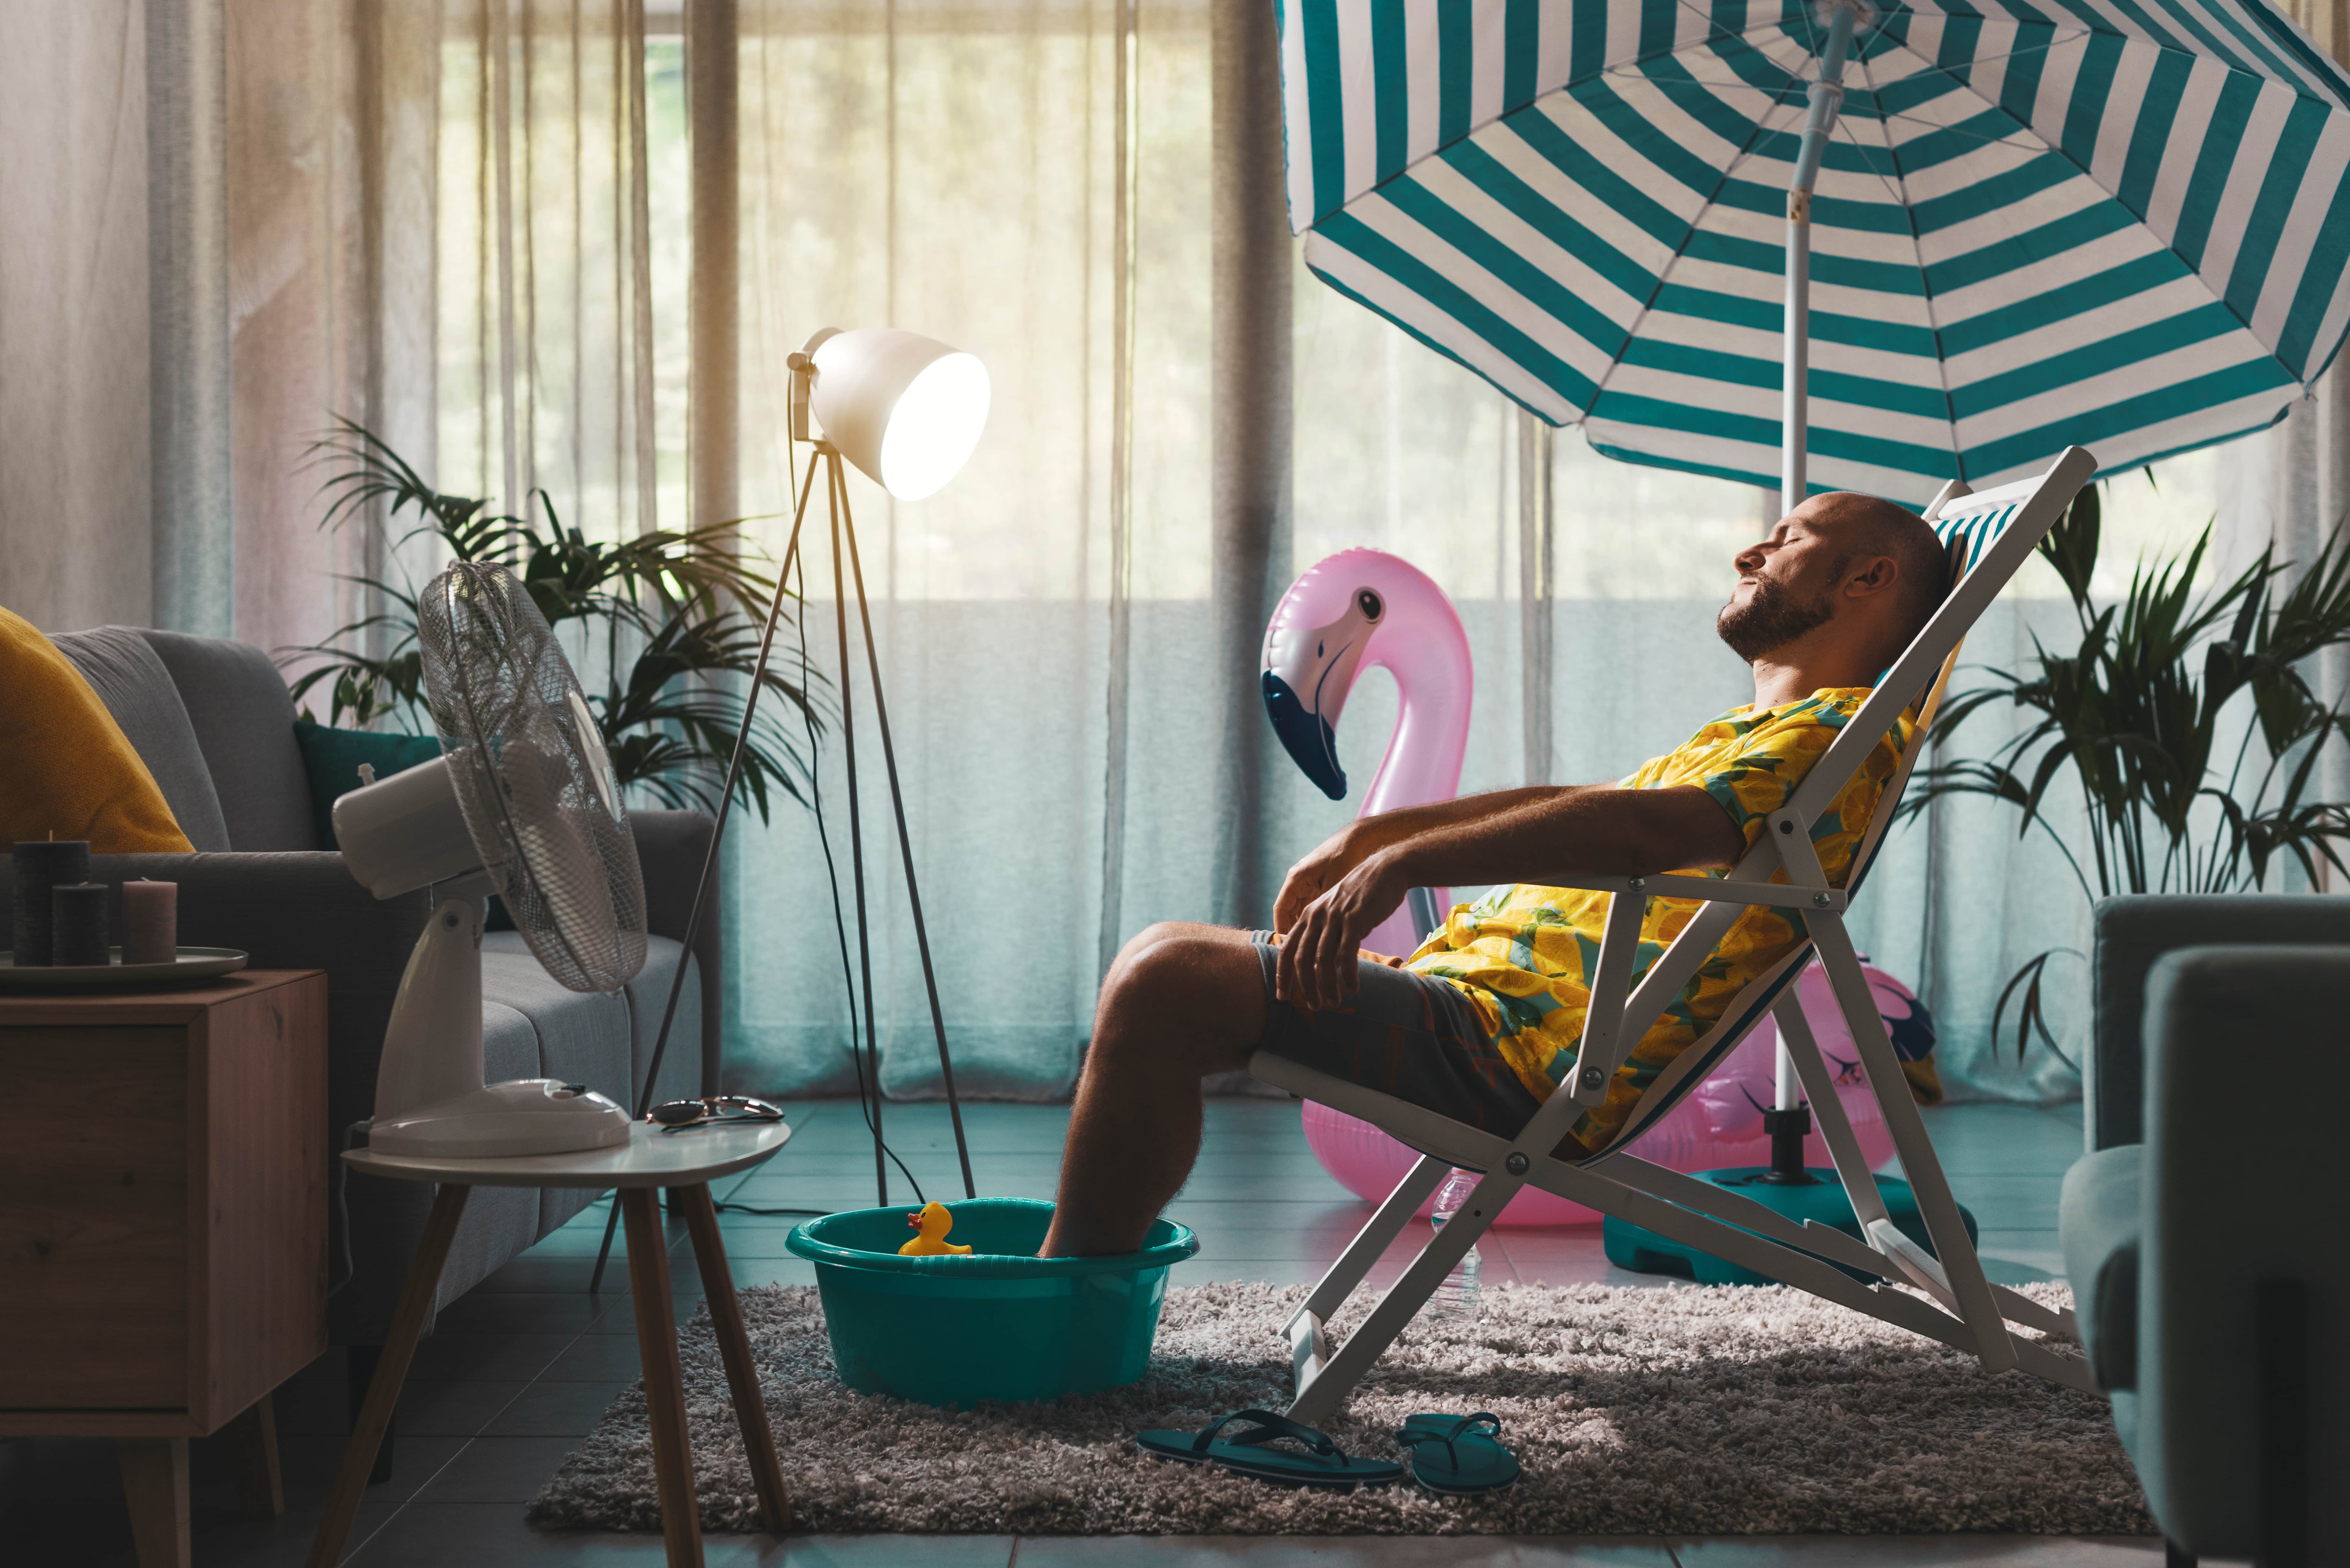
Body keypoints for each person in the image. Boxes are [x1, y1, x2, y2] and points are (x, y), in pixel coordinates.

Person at [1038, 490, 1950, 1258]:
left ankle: (1067, 1300)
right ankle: (1084, 1271)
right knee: (1165, 957)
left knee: (1165, 982)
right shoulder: (1752, 739)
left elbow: (1642, 831)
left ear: (1870, 579)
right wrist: (1377, 836)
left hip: (1513, 1056)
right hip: (1478, 1011)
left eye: (1789, 539)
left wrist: (1408, 862)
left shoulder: (1827, 735)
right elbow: (1595, 800)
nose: (1752, 551)